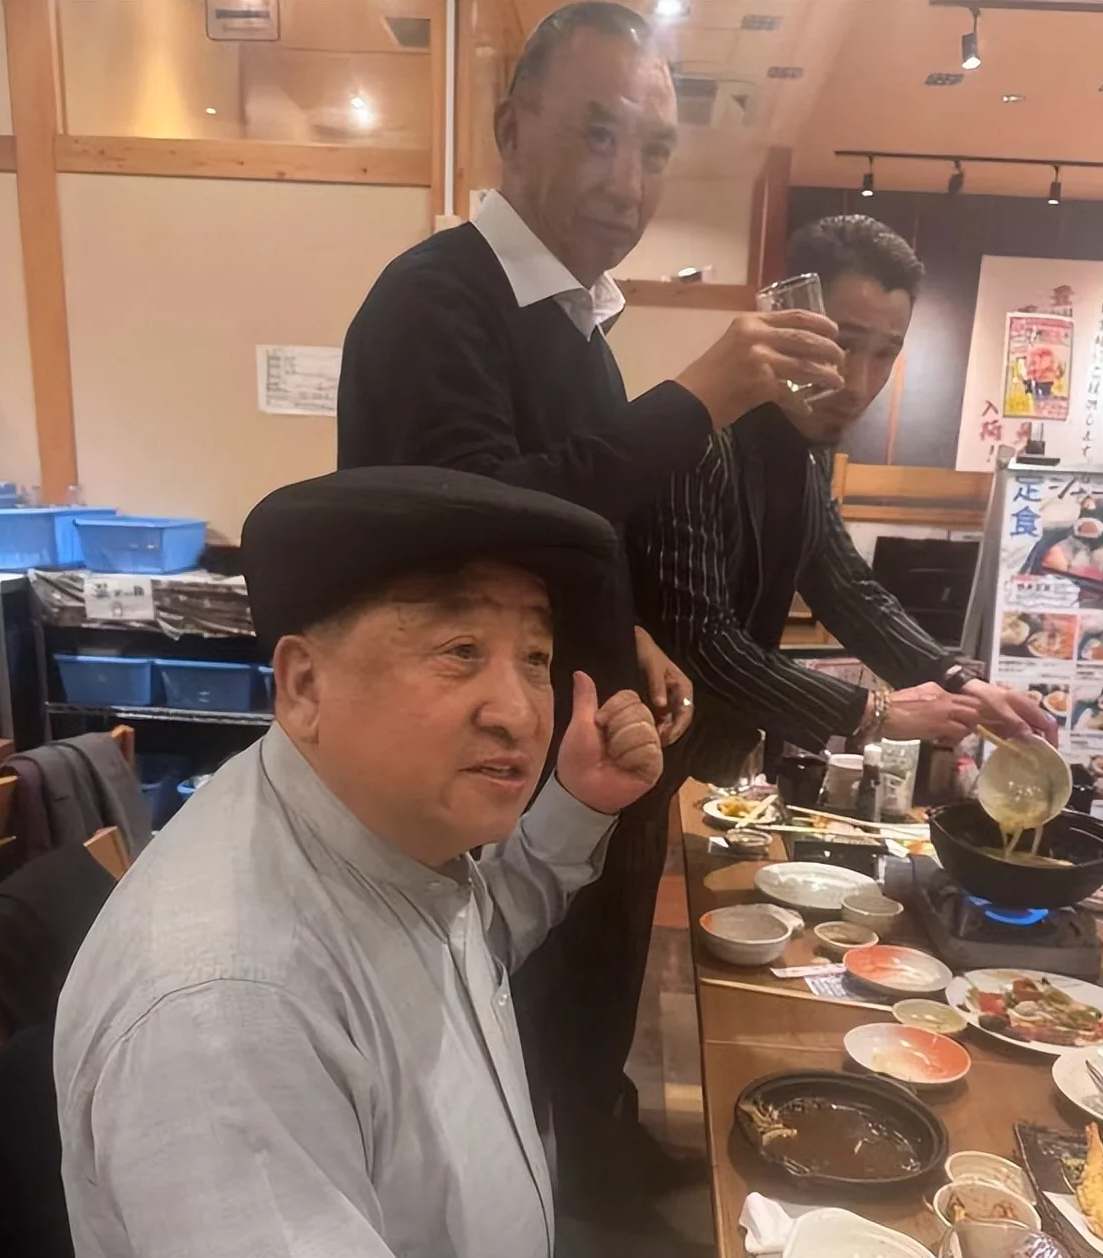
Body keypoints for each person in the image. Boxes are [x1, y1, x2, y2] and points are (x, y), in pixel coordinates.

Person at [334, 1, 846, 1213]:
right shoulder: (435, 298)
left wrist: (635, 633)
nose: (630, 180)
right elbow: (474, 521)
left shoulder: (576, 321)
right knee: (489, 1049)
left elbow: (565, 529)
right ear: (512, 128)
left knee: (580, 999)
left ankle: (589, 1178)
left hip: (576, 755)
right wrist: (699, 397)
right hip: (472, 770)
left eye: (656, 149)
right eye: (599, 134)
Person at [53, 466, 665, 1258]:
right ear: (304, 685)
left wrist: (580, 801)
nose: (519, 713)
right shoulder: (228, 1013)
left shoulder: (376, 828)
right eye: (460, 650)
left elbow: (466, 944)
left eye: (535, 657)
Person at [630, 214, 1057, 778]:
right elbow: (702, 641)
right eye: (843, 343)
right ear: (784, 316)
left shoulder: (804, 452)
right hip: (632, 754)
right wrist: (873, 712)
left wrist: (959, 681)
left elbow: (849, 590)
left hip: (703, 758)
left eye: (885, 354)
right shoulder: (700, 438)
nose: (857, 383)